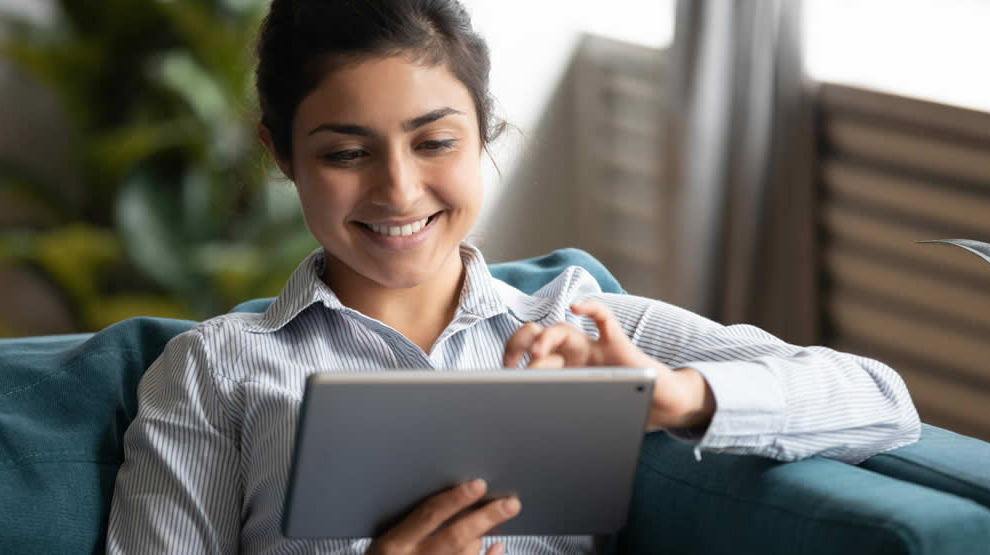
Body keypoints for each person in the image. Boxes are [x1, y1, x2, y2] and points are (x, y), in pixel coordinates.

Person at [105, 0, 921, 553]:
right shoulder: (214, 371)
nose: (398, 189)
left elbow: (880, 398)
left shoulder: (587, 327)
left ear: (485, 132)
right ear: (282, 154)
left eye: (435, 142)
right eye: (346, 153)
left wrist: (667, 394)